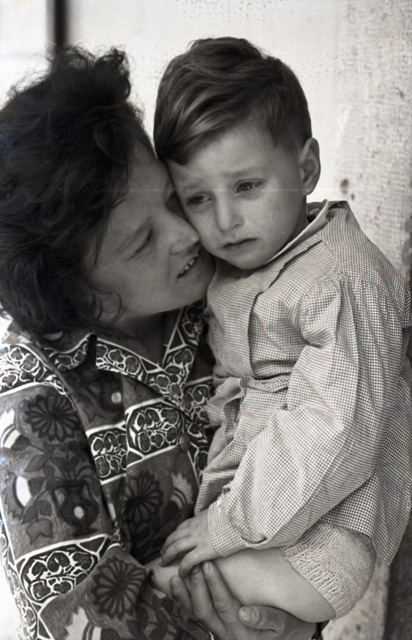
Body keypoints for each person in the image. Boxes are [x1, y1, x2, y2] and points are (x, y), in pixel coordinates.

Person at [0, 46, 323, 640]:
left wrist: (299, 614)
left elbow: (328, 443)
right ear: (79, 292)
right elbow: (75, 609)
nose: (188, 234)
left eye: (174, 198)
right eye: (143, 240)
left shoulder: (240, 286)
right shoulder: (34, 395)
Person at [152, 36, 412, 622]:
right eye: (198, 198)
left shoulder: (342, 279)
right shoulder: (238, 264)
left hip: (317, 548)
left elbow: (333, 432)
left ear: (306, 168)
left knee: (147, 592)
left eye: (247, 186)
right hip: (254, 528)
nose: (225, 221)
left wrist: (224, 525)